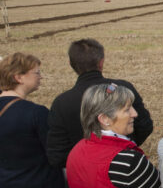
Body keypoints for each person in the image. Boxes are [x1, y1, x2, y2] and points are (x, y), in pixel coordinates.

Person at [66, 83, 163, 188]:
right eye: (127, 109)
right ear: (105, 119)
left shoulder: (77, 151)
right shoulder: (127, 161)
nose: (134, 114)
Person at [47, 38, 153, 168]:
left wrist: (83, 163)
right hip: (123, 166)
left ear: (71, 64)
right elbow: (145, 126)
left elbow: (57, 152)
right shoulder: (123, 89)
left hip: (81, 176)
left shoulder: (61, 102)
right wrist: (127, 145)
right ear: (101, 63)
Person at [0, 53, 65, 188]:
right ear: (18, 77)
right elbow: (55, 154)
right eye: (36, 72)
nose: (40, 76)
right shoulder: (36, 113)